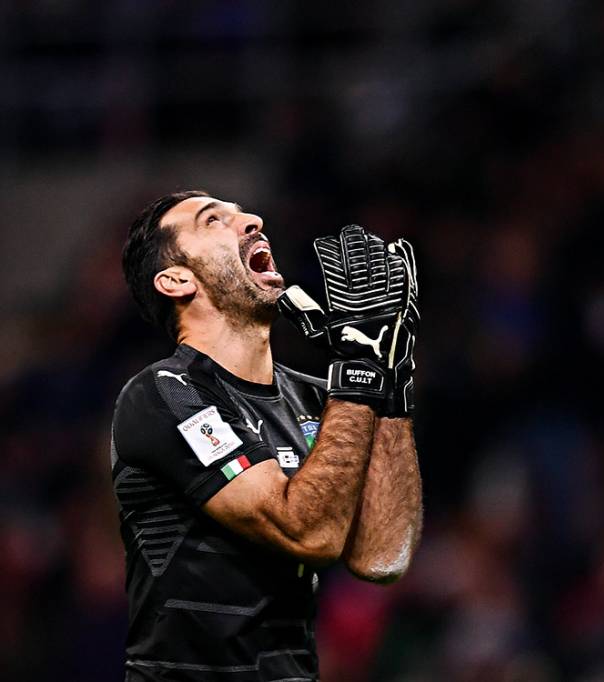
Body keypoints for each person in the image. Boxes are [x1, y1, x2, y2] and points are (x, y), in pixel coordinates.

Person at [111, 190, 422, 680]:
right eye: (214, 221)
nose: (253, 220)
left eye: (244, 214)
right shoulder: (164, 393)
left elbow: (382, 557)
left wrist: (391, 385)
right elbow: (306, 530)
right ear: (176, 280)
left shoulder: (326, 399)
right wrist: (359, 372)